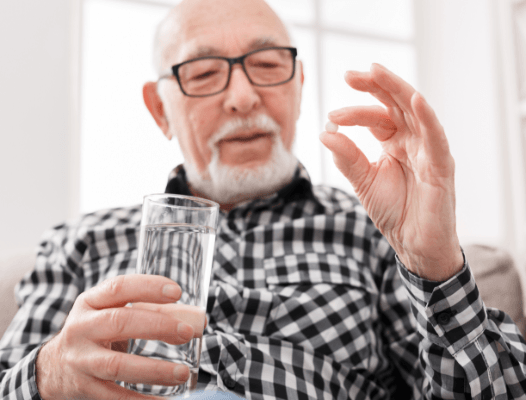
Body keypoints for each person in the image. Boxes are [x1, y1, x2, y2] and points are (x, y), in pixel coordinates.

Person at [1, 0, 525, 398]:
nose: (243, 97)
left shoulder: (375, 234)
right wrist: (49, 373)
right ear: (160, 110)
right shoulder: (80, 241)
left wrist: (435, 266)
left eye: (269, 65)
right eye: (204, 73)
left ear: (298, 85)